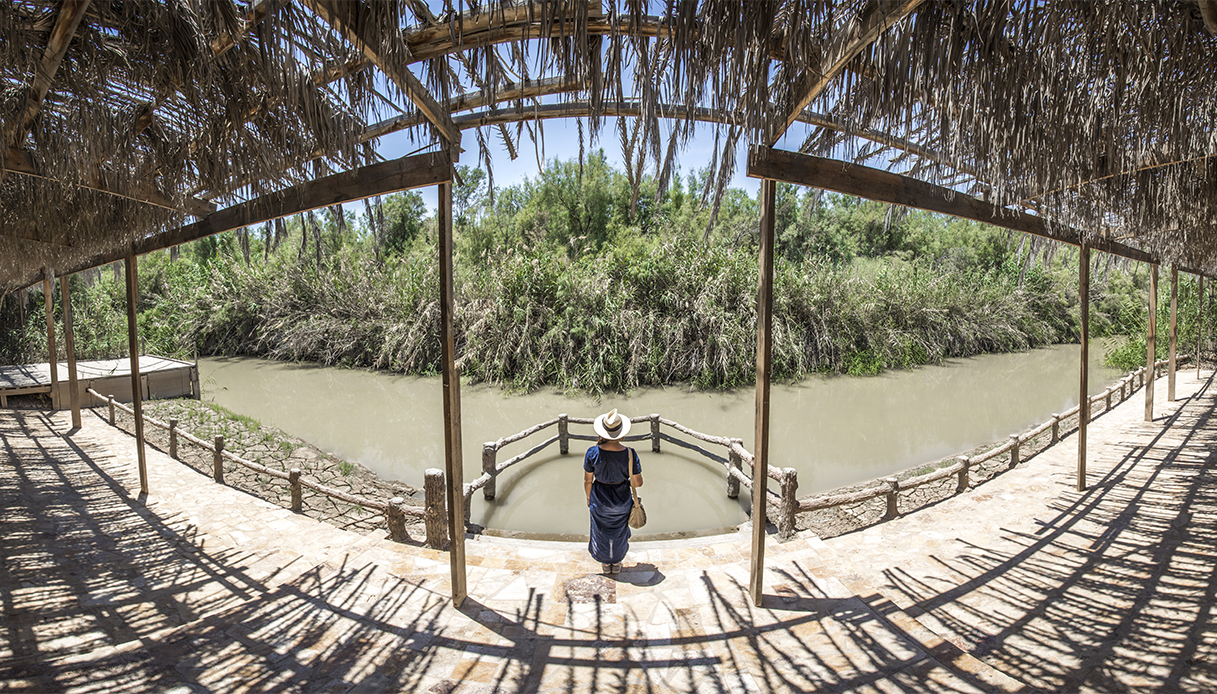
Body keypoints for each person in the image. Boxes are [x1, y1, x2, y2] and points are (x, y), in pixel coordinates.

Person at [584, 408, 644, 574]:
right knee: (619, 531)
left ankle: (605, 563)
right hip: (622, 499)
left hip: (599, 499)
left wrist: (589, 498)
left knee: (600, 531)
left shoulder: (592, 452)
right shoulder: (630, 453)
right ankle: (616, 563)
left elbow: (588, 480)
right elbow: (638, 483)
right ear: (621, 433)